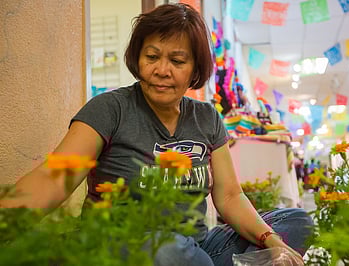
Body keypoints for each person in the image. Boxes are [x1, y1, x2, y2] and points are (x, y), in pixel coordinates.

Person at [0, 3, 312, 266]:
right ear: (138, 59)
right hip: (125, 247)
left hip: (198, 246)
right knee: (172, 251)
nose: (162, 70)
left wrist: (271, 240)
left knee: (295, 223)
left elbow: (230, 196)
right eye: (152, 57)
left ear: (194, 69)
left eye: (177, 61)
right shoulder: (110, 109)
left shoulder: (206, 117)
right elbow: (55, 177)